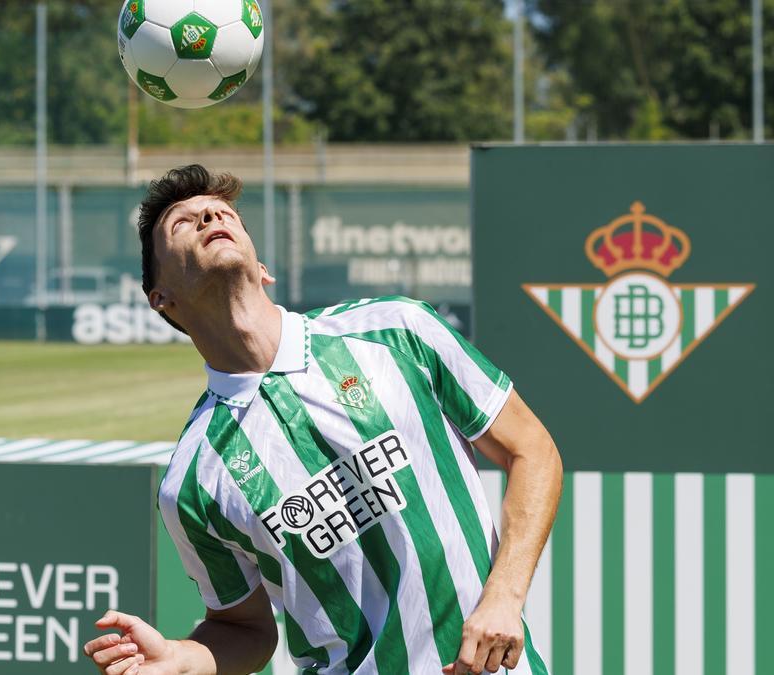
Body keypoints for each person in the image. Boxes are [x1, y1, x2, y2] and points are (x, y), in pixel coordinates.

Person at [83, 165, 562, 675]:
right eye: (181, 223)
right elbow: (243, 630)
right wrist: (179, 658)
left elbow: (532, 449)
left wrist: (505, 597)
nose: (208, 214)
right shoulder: (192, 481)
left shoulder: (399, 330)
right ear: (161, 299)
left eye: (224, 212)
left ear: (263, 268)